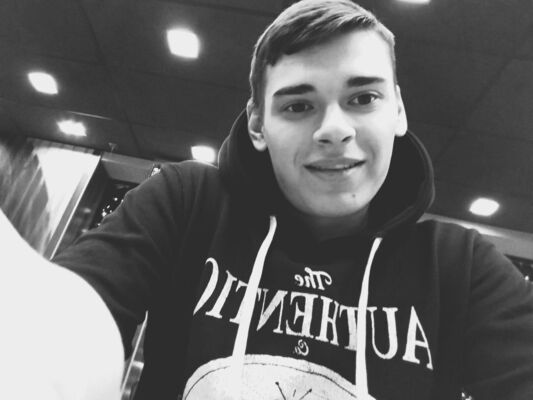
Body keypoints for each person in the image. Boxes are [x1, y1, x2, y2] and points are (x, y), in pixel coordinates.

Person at [2, 0, 533, 399]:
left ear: (397, 110)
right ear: (257, 123)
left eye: (363, 97)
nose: (334, 129)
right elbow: (72, 321)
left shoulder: (461, 267)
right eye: (298, 106)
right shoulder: (187, 202)